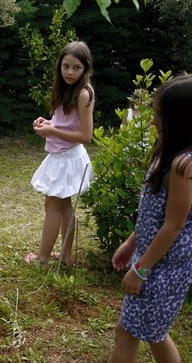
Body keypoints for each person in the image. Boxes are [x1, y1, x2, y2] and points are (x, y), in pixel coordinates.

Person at [109, 74, 192, 363]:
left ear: (180, 120)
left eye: (159, 115)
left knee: (129, 332)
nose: (153, 121)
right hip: (153, 259)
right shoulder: (167, 154)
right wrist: (132, 243)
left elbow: (173, 226)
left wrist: (141, 270)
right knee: (153, 334)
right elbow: (152, 213)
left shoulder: (183, 165)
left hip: (165, 268)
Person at [24, 41, 94, 267]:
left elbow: (85, 135)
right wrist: (49, 122)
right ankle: (66, 256)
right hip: (62, 155)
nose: (70, 72)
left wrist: (52, 130)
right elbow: (66, 123)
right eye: (66, 66)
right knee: (63, 206)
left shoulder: (84, 94)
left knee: (53, 206)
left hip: (68, 157)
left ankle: (43, 258)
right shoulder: (64, 89)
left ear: (86, 69)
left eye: (76, 67)